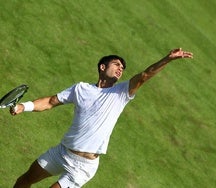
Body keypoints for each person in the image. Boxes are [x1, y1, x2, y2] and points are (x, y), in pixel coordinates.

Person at [11, 48, 193, 188]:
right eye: (117, 65)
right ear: (102, 67)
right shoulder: (81, 88)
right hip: (62, 152)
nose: (121, 69)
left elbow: (144, 76)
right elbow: (50, 101)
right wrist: (22, 106)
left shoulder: (121, 92)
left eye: (123, 68)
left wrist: (167, 59)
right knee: (24, 180)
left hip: (83, 166)